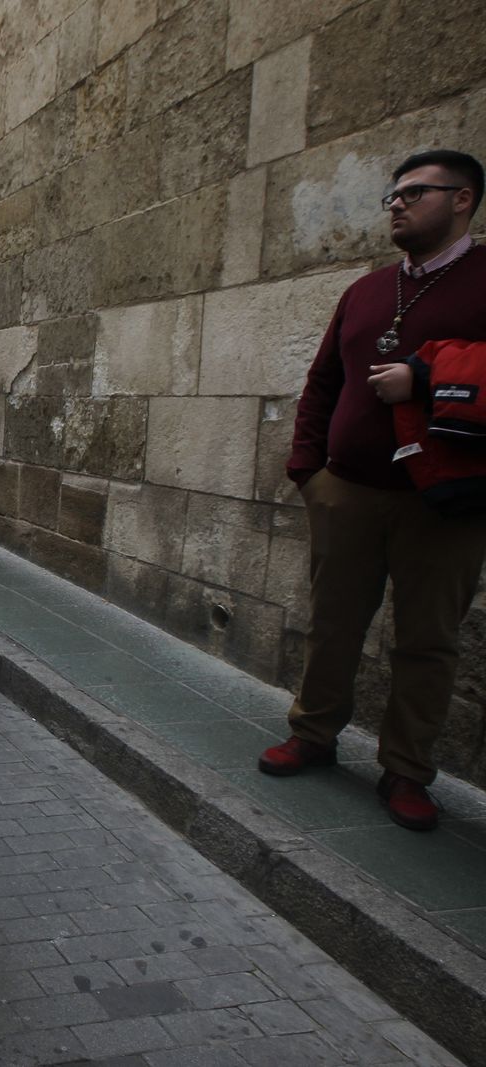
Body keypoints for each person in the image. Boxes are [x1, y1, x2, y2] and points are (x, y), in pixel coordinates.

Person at [258, 149, 486, 832]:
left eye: (416, 193)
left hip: (444, 502)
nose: (397, 204)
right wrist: (309, 472)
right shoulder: (366, 290)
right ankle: (313, 732)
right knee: (332, 623)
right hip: (347, 490)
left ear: (463, 199)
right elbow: (324, 381)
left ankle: (407, 770)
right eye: (394, 194)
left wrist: (425, 379)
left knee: (427, 640)